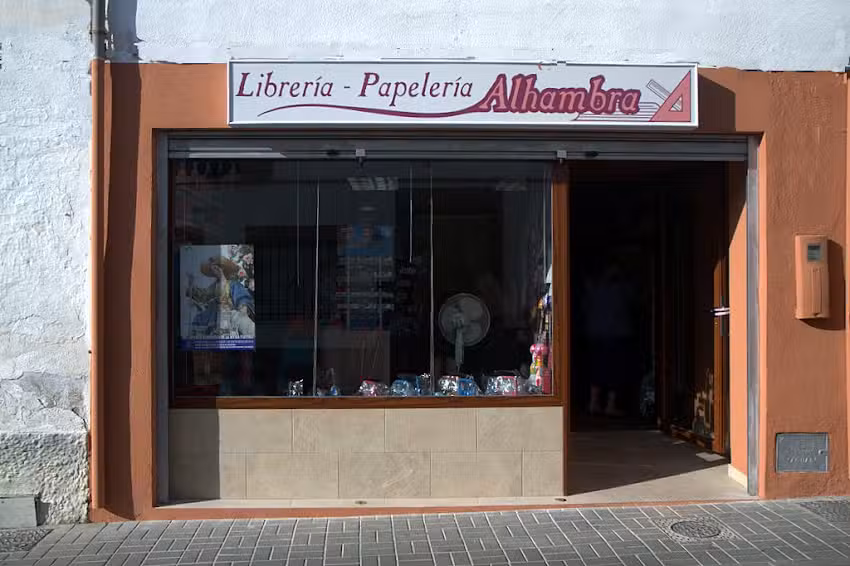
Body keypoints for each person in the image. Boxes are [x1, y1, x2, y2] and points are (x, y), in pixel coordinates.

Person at [581, 262, 635, 417]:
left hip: (595, 333)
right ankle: (610, 404)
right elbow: (633, 301)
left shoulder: (593, 287)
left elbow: (585, 307)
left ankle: (594, 402)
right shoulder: (621, 288)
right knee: (615, 369)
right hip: (616, 334)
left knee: (597, 367)